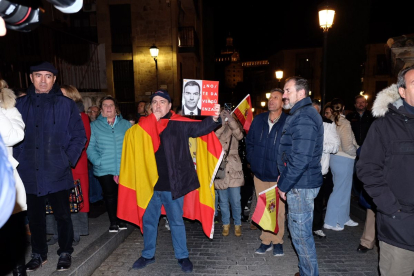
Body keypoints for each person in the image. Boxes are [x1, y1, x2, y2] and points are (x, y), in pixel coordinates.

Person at [126, 90, 220, 273]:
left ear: (169, 106)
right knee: (149, 221)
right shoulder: (142, 126)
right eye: (154, 102)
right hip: (149, 185)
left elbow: (200, 128)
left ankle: (182, 256)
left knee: (176, 221)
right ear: (150, 106)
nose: (158, 105)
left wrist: (214, 117)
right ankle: (147, 254)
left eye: (162, 102)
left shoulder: (178, 123)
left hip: (173, 184)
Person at [14, 62, 87, 272]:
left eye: (48, 76)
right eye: (38, 75)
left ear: (54, 79)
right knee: (35, 218)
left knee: (63, 216)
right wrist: (19, 162)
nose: (43, 80)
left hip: (57, 171)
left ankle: (65, 252)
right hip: (29, 173)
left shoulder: (66, 104)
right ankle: (39, 254)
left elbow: (78, 136)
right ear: (31, 78)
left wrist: (66, 159)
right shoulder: (20, 105)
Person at [357, 65, 414, 276]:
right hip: (400, 226)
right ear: (402, 91)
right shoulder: (384, 125)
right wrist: (391, 208)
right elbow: (367, 168)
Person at [277, 76, 323, 276]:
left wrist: (284, 184)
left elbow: (301, 158)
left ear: (301, 93)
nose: (284, 95)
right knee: (299, 233)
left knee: (301, 236)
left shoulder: (304, 116)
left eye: (287, 91)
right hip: (300, 181)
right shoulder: (301, 114)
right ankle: (306, 270)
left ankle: (309, 273)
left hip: (301, 184)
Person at [47, 85, 91, 246]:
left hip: (74, 165)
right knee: (56, 201)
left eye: (63, 94)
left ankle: (75, 232)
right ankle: (57, 233)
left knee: (74, 199)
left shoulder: (81, 116)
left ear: (72, 96)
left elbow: (81, 142)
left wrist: (64, 158)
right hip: (54, 165)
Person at [246, 88, 287, 256]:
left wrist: (285, 169)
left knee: (278, 210)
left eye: (276, 98)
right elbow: (250, 142)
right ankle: (266, 240)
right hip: (260, 172)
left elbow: (290, 149)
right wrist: (252, 159)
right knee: (264, 208)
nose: (271, 100)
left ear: (283, 102)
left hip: (278, 175)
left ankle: (277, 240)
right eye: (270, 97)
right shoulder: (259, 120)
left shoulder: (288, 121)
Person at [87, 95, 131, 232]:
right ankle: (113, 221)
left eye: (111, 105)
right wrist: (97, 161)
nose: (108, 108)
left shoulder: (125, 124)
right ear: (101, 110)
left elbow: (132, 145)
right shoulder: (94, 126)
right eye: (105, 106)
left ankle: (122, 219)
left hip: (124, 166)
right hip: (104, 167)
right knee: (109, 195)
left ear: (116, 108)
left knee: (123, 195)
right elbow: (90, 146)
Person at [0, 85, 26, 276]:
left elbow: (14, 137)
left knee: (10, 230)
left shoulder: (8, 109)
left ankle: (19, 270)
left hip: (3, 179)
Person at [323, 98, 359, 231]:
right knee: (340, 190)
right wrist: (356, 152)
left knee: (344, 189)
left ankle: (343, 217)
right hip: (344, 158)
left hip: (335, 158)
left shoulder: (331, 121)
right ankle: (331, 221)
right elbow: (347, 145)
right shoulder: (343, 122)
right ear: (343, 107)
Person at [311, 99, 340, 238]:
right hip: (302, 169)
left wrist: (318, 146)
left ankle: (316, 226)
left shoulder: (328, 125)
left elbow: (335, 147)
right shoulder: (301, 123)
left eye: (315, 111)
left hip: (319, 169)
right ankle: (300, 228)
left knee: (317, 201)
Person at [214, 109, 244, 237]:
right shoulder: (217, 126)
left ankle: (237, 224)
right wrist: (221, 123)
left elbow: (240, 136)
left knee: (236, 200)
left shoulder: (235, 126)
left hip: (233, 167)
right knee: (223, 200)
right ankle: (225, 224)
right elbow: (214, 137)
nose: (225, 116)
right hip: (221, 166)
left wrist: (231, 121)